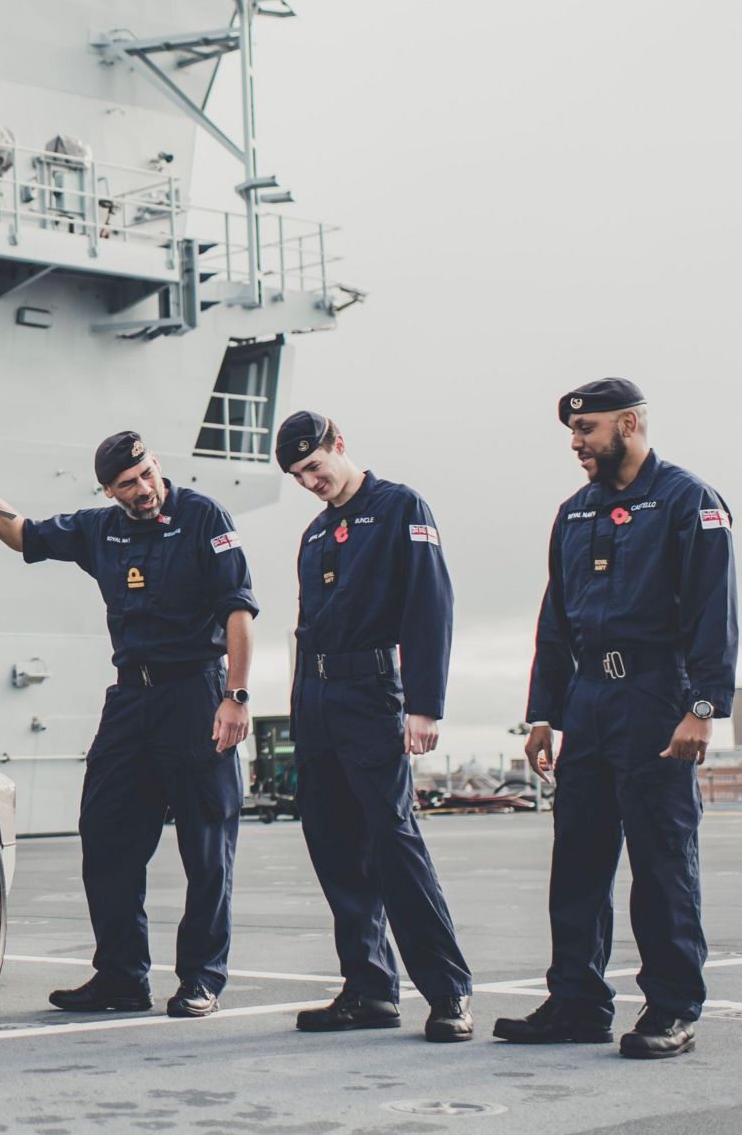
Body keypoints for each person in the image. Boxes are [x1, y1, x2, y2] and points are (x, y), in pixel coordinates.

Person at [0, 433, 256, 1018]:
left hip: (197, 693)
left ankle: (202, 979)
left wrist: (235, 696)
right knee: (106, 836)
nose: (144, 490)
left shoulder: (204, 516)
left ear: (156, 464)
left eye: (147, 474)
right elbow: (22, 534)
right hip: (131, 699)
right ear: (109, 491)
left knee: (207, 847)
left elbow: (237, 608)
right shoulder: (98, 528)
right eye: (128, 485)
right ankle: (121, 978)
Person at [494, 378, 736, 1060]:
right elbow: (556, 621)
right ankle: (576, 1000)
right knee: (577, 858)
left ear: (629, 423)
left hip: (659, 697)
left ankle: (671, 1008)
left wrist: (703, 705)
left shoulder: (688, 500)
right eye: (573, 431)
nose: (577, 443)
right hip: (589, 702)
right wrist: (543, 713)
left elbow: (712, 611)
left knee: (661, 860)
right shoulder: (574, 513)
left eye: (589, 430)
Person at [275, 411, 474, 1043]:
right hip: (316, 696)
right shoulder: (314, 534)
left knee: (393, 841)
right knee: (333, 841)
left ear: (339, 445)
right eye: (298, 475)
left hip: (370, 692)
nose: (311, 481)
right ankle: (368, 988)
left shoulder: (400, 507)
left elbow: (430, 603)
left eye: (314, 466)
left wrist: (425, 703)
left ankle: (448, 993)